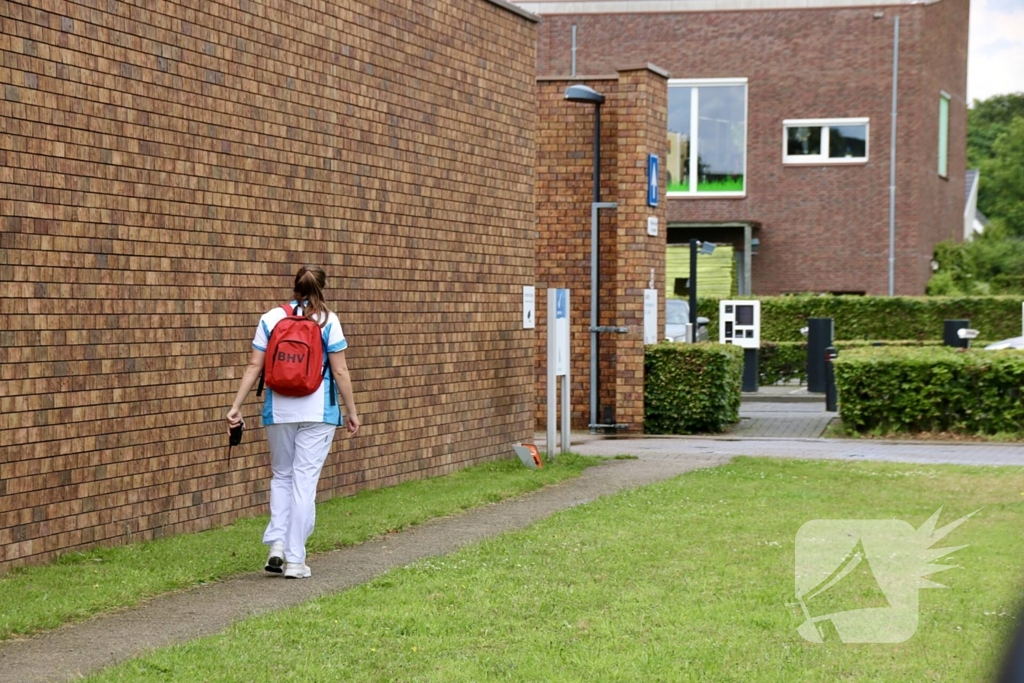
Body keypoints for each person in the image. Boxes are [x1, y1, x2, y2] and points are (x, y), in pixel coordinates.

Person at [226, 265, 359, 579]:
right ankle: (296, 560)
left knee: (282, 476)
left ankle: (276, 545)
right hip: (319, 413)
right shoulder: (328, 320)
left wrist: (235, 406)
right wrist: (352, 410)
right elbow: (339, 371)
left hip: (279, 410)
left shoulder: (271, 318)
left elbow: (253, 366)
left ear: (295, 287)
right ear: (322, 288)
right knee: (304, 483)